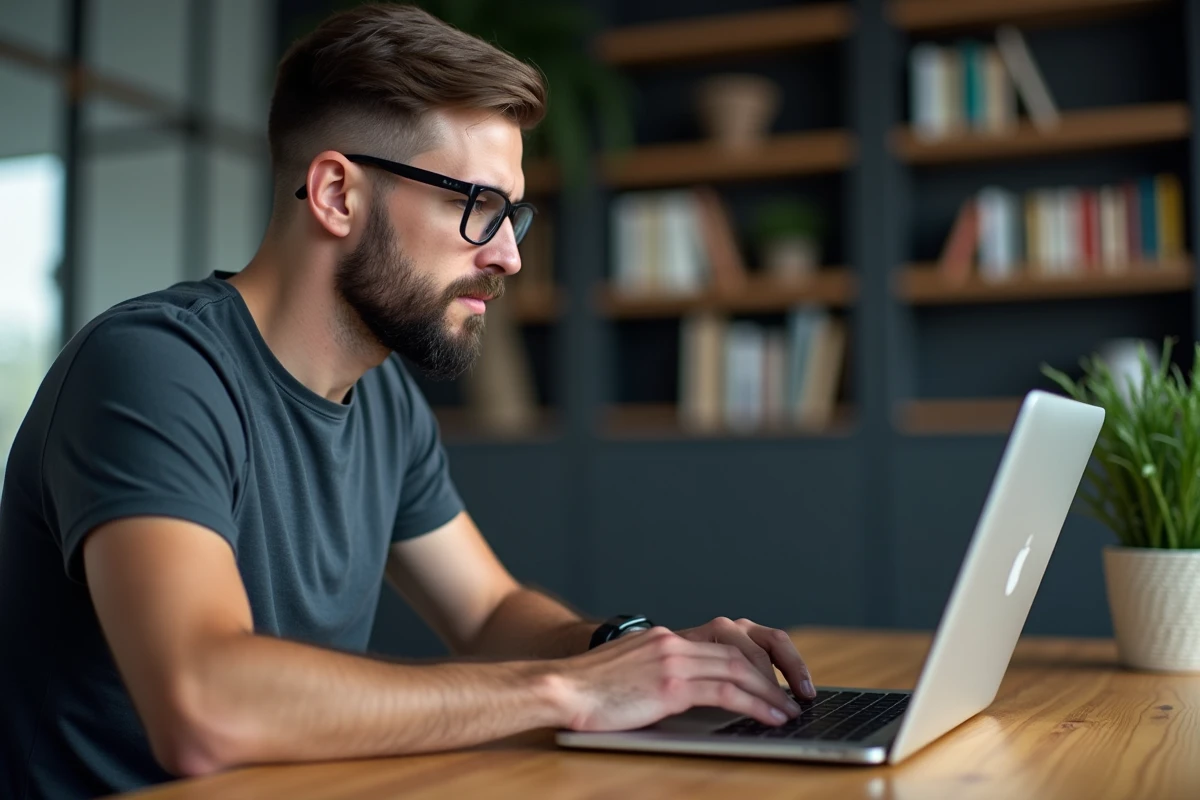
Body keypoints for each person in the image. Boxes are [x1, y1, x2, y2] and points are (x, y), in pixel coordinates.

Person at [0, 4, 815, 797]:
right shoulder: (153, 368)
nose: (508, 257)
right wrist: (569, 692)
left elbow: (490, 611)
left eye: (512, 216)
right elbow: (204, 705)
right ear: (336, 195)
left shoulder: (381, 399)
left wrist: (636, 653)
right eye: (478, 208)